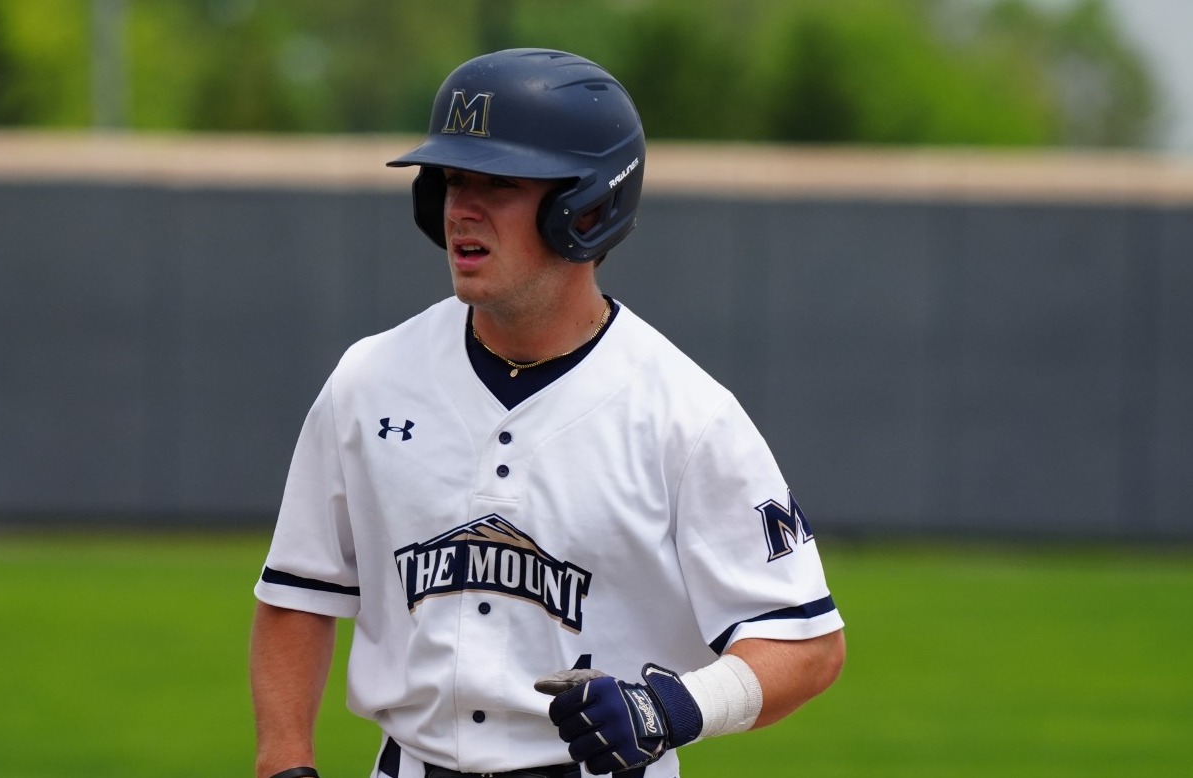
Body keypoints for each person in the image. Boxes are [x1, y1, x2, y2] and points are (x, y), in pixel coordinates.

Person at [250, 48, 845, 778]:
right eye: (452, 179)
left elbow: (806, 644)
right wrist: (285, 761)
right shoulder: (368, 380)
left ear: (586, 208)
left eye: (499, 182)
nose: (461, 208)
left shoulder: (685, 415)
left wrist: (673, 708)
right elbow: (299, 593)